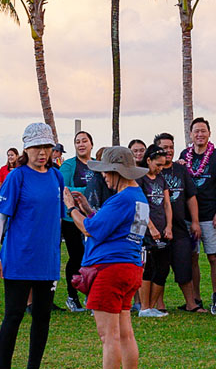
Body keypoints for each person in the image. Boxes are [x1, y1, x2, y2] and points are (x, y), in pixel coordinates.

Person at [62, 147, 149, 369]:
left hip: (110, 270)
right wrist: (88, 209)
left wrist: (72, 208)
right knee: (125, 334)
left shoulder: (122, 199)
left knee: (108, 337)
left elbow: (90, 230)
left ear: (117, 172)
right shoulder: (138, 196)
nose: (103, 176)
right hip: (130, 267)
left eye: (106, 172)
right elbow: (113, 227)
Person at [0, 123, 65, 369]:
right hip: (19, 258)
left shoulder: (56, 176)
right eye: (36, 147)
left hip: (47, 260)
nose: (42, 152)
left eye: (47, 147)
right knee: (13, 316)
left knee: (42, 317)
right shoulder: (16, 176)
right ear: (26, 149)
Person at [178, 117, 216, 315]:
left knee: (213, 257)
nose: (200, 134)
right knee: (192, 257)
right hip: (189, 215)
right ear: (191, 134)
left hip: (210, 214)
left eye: (203, 131)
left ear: (209, 133)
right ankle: (196, 297)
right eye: (196, 131)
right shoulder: (184, 154)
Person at [154, 132, 205, 313]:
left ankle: (191, 303)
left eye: (171, 147)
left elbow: (191, 197)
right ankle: (159, 305)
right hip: (157, 227)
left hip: (180, 225)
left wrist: (195, 222)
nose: (168, 151)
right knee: (159, 267)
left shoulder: (181, 169)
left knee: (184, 263)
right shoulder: (151, 172)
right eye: (164, 148)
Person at [59, 130, 96, 312]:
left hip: (93, 217)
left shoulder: (96, 165)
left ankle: (92, 296)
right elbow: (63, 188)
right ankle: (72, 297)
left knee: (93, 258)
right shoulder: (69, 165)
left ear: (91, 144)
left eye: (84, 141)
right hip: (71, 218)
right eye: (77, 142)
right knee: (77, 257)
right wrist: (87, 190)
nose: (81, 144)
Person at [137, 144, 172, 317]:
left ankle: (152, 305)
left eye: (162, 165)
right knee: (148, 267)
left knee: (163, 267)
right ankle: (144, 306)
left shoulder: (161, 179)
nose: (160, 168)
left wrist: (169, 226)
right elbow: (139, 205)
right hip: (146, 231)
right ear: (148, 160)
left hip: (162, 229)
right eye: (157, 165)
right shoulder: (140, 179)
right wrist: (150, 227)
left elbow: (167, 203)